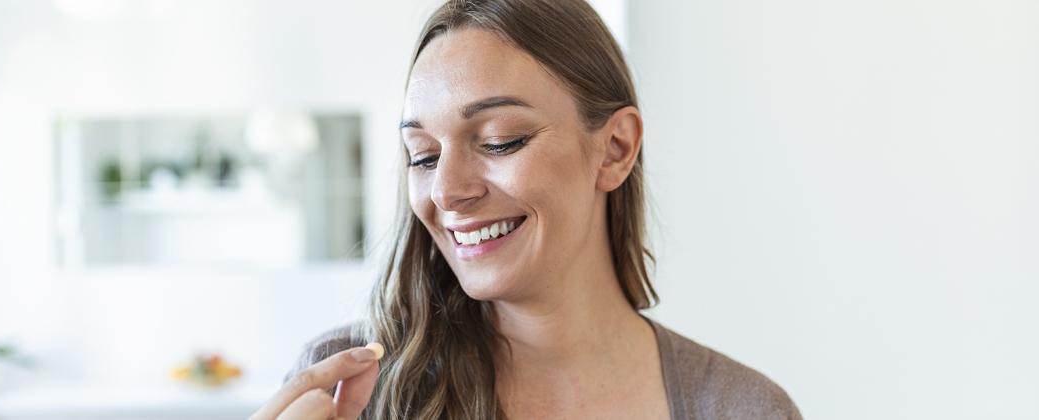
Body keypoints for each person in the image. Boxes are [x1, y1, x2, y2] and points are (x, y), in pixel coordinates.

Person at [251, 0, 802, 419]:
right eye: (423, 155)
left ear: (614, 149)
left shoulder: (742, 407)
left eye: (498, 141)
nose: (447, 191)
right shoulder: (349, 390)